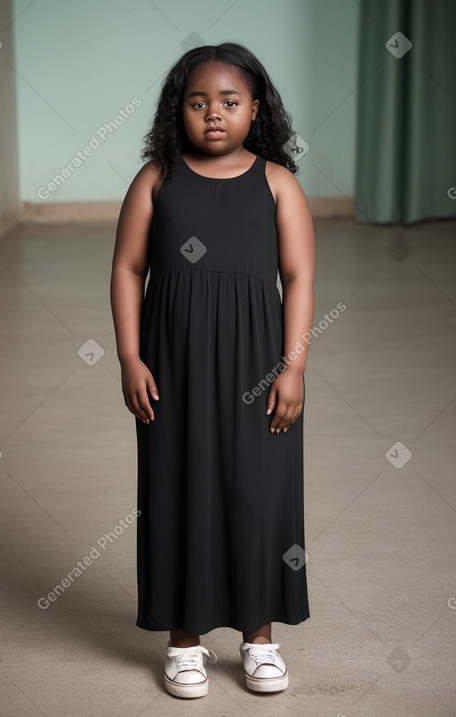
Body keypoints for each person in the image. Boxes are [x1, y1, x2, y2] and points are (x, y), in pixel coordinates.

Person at [110, 41, 315, 699]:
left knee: (256, 494)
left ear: (255, 109)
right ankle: (184, 641)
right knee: (178, 489)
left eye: (229, 102)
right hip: (174, 367)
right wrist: (129, 355)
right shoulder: (156, 180)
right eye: (198, 103)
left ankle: (259, 639)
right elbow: (127, 269)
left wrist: (294, 367)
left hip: (258, 366)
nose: (214, 115)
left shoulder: (277, 182)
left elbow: (300, 275)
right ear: (180, 110)